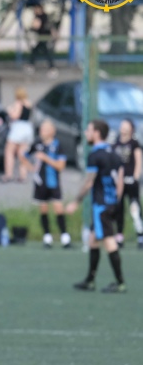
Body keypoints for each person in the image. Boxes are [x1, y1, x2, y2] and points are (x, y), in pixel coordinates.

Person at [66, 119, 126, 293]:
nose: (86, 133)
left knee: (108, 241)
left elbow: (89, 183)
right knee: (93, 239)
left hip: (101, 206)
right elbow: (120, 180)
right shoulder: (114, 153)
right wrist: (116, 200)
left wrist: (75, 202)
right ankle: (90, 280)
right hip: (112, 203)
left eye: (89, 130)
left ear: (97, 133)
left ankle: (120, 282)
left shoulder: (95, 155)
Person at [21, 120, 71, 248]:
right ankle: (47, 237)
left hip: (53, 182)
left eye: (45, 129)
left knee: (58, 208)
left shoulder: (58, 145)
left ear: (52, 131)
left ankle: (65, 237)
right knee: (43, 209)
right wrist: (30, 167)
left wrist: (46, 158)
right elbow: (23, 156)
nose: (42, 132)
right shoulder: (37, 144)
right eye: (41, 129)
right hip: (40, 182)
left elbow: (61, 166)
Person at [113, 119, 143, 249]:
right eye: (122, 126)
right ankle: (119, 235)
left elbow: (138, 161)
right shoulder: (116, 143)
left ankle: (140, 234)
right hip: (118, 182)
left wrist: (135, 177)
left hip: (131, 181)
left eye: (126, 126)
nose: (123, 128)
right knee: (119, 209)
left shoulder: (134, 144)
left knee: (135, 209)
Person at [2, 87, 33, 183]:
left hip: (18, 128)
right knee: (22, 153)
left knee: (9, 152)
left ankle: (8, 174)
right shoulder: (28, 103)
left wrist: (9, 111)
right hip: (27, 128)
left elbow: (15, 116)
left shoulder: (18, 103)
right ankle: (23, 175)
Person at [26, 3, 57, 77]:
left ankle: (52, 68)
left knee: (43, 52)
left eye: (36, 8)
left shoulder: (41, 17)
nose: (35, 10)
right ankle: (32, 65)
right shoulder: (42, 16)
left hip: (44, 37)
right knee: (38, 51)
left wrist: (31, 28)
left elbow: (37, 26)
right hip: (41, 37)